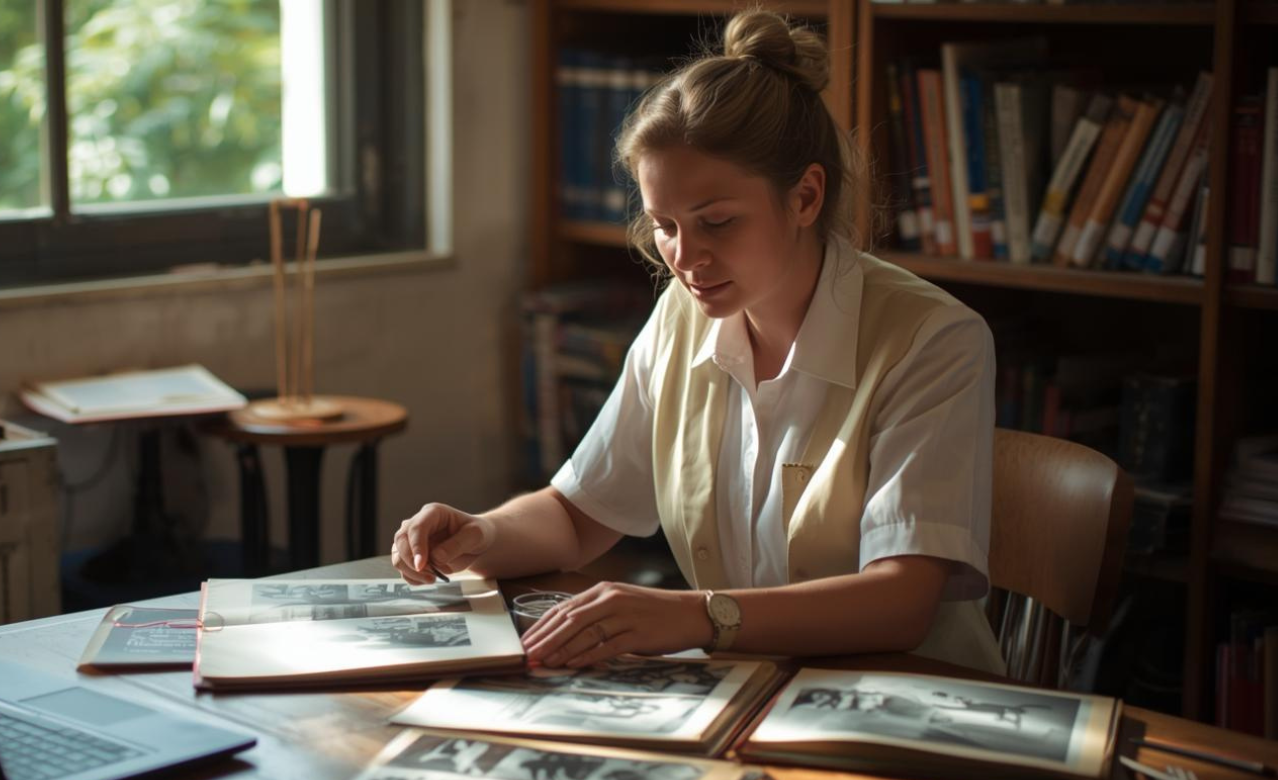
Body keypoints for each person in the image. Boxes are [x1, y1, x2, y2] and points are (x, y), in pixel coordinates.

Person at [392, 9, 1002, 674]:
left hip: (908, 706)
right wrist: (480, 533)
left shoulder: (933, 340)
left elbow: (901, 604)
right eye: (665, 225)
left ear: (804, 197)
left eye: (717, 222)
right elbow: (577, 515)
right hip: (752, 691)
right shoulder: (682, 318)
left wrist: (696, 615)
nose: (686, 258)